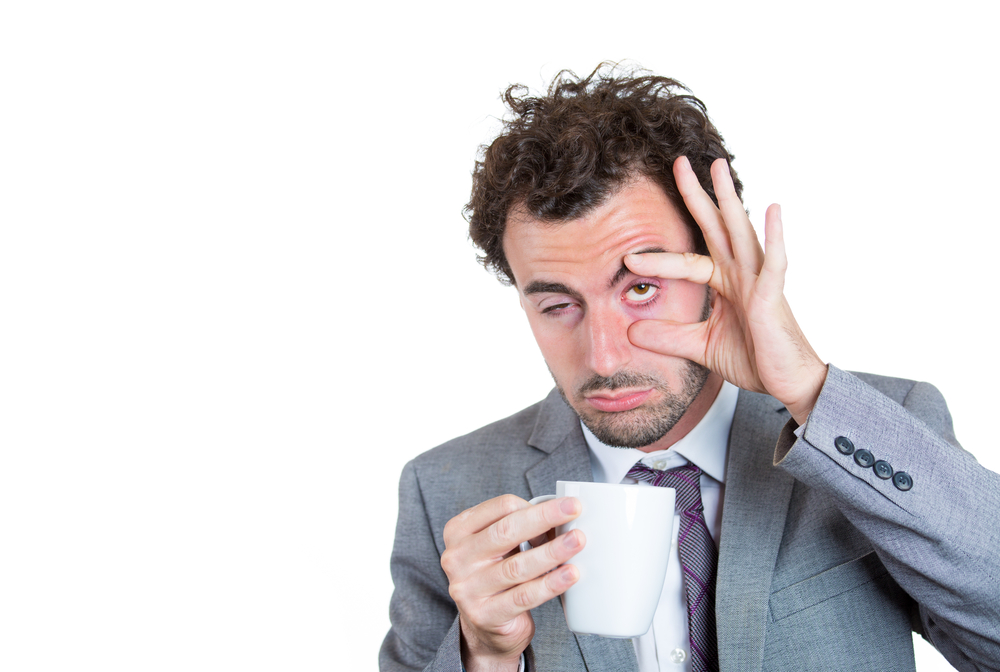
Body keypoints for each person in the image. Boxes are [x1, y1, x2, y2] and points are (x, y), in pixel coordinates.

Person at [379, 64, 1000, 672]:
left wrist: (810, 391)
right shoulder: (445, 491)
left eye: (643, 287)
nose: (604, 357)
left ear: (717, 268)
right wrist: (483, 658)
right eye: (558, 304)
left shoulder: (877, 434)